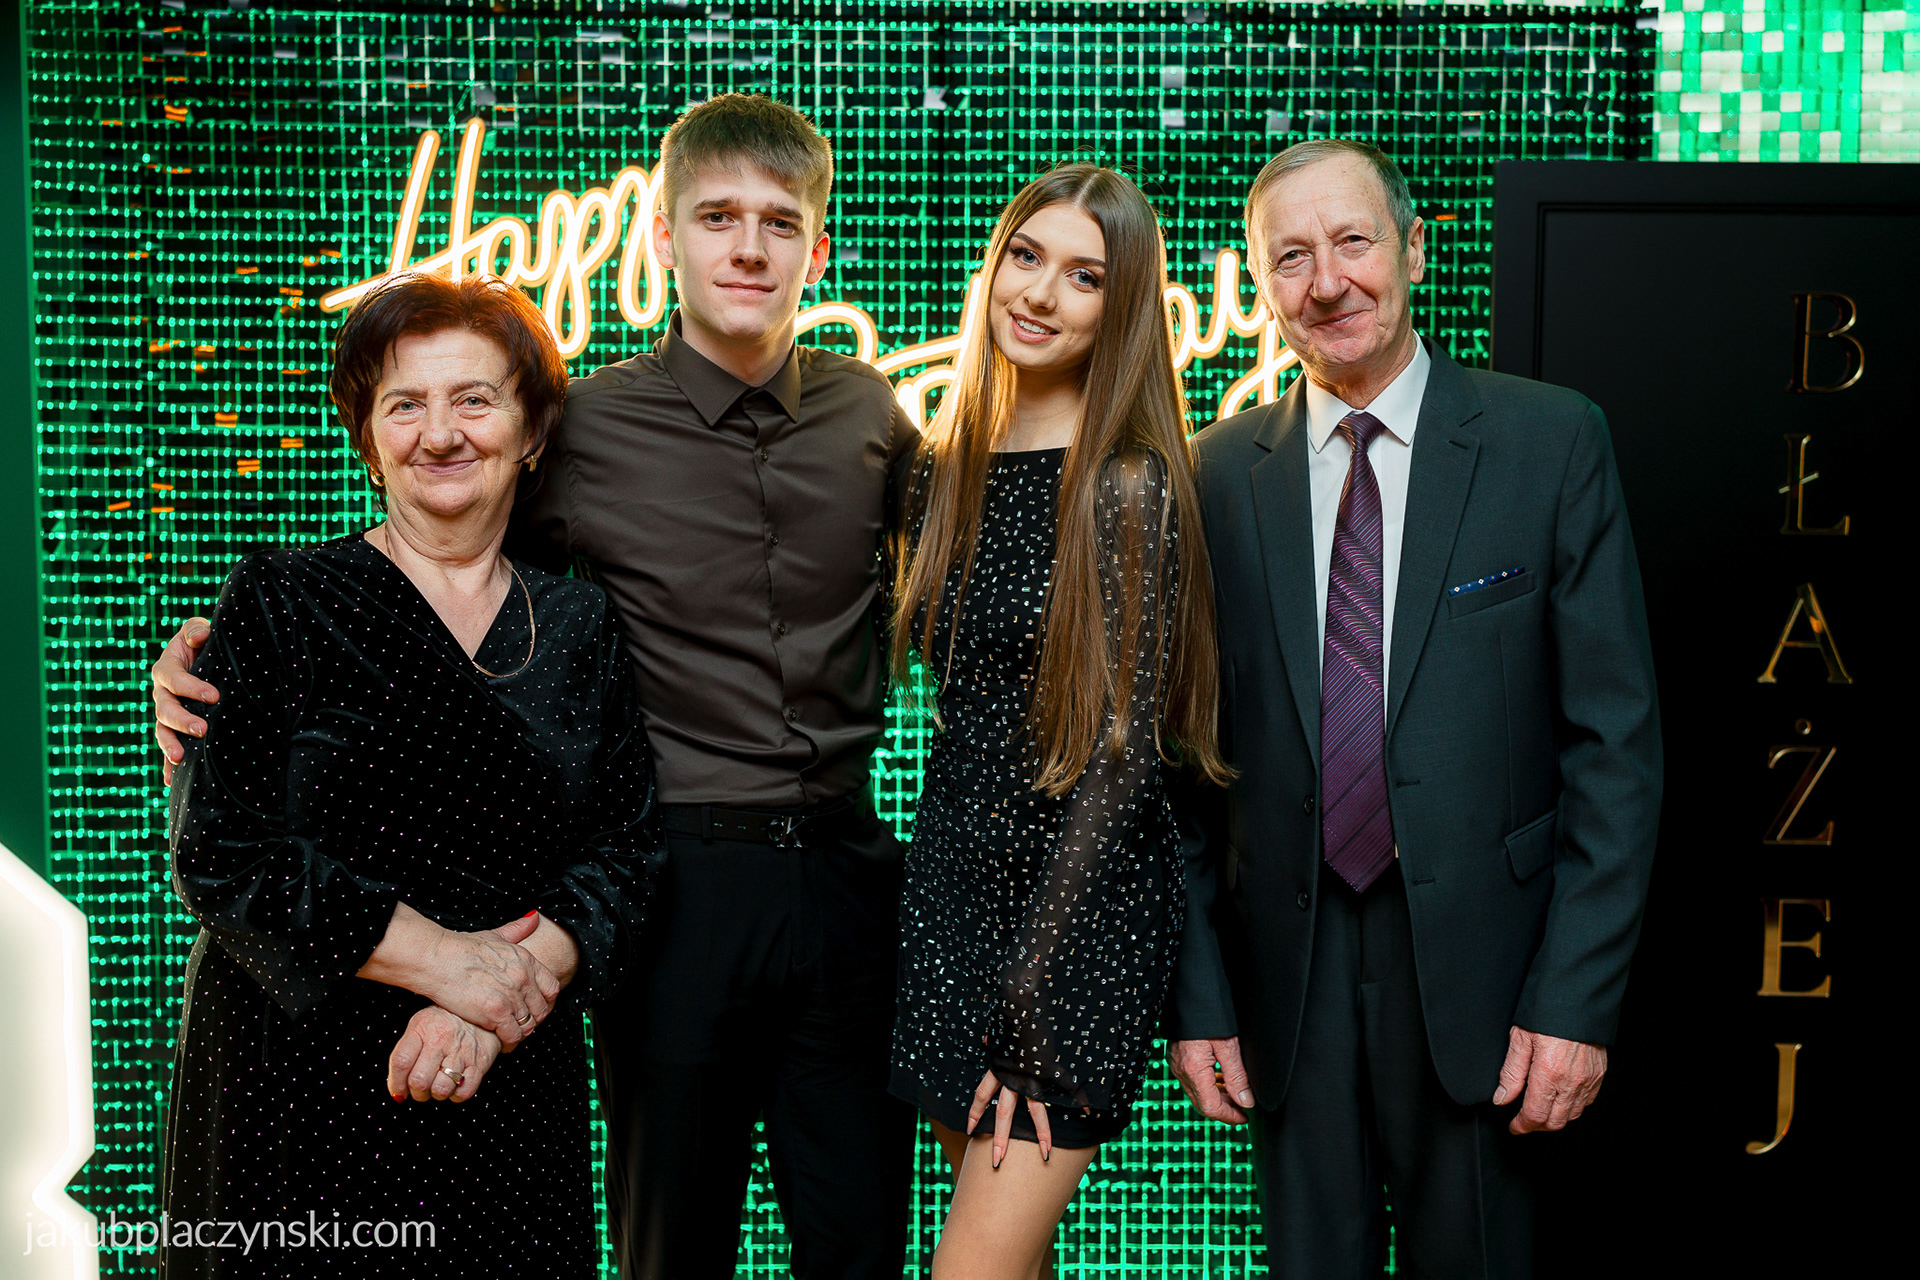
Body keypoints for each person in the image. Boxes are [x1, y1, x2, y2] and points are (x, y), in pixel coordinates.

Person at [151, 94, 918, 1280]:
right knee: (671, 1245)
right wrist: (213, 653)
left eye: (780, 222)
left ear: (820, 247)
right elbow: (431, 548)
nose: (749, 247)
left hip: (838, 878)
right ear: (662, 236)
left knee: (864, 1238)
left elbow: (960, 591)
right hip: (662, 893)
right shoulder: (584, 426)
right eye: (718, 217)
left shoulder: (869, 413)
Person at [1166, 139, 1662, 1277]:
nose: (1327, 281)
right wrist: (1197, 1000)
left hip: (1492, 983)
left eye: (1353, 241)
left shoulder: (1550, 441)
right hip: (1285, 981)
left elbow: (1616, 750)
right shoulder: (1213, 474)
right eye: (1291, 257)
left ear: (1416, 249)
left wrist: (1575, 1001)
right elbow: (1180, 767)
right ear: (1261, 282)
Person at [159, 273, 662, 1278]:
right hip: (295, 1087)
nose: (440, 434)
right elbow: (220, 851)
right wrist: (446, 964)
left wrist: (497, 999)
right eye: (405, 405)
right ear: (367, 435)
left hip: (507, 1077)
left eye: (474, 399)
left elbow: (628, 849)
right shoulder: (280, 598)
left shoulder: (580, 622)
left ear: (531, 430)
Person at [889, 165, 1230, 1280]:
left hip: (1072, 929)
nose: (1039, 293)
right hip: (952, 898)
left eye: (1085, 276)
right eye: (1026, 256)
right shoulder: (939, 468)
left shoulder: (1129, 482)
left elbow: (1126, 759)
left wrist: (1032, 997)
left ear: (1120, 308)